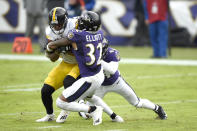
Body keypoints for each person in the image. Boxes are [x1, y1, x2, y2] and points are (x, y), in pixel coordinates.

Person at [47, 11, 111, 126]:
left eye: (82, 22)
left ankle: (93, 110)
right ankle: (114, 116)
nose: (80, 23)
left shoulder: (78, 35)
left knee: (61, 102)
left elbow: (66, 40)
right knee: (89, 96)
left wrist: (52, 45)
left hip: (89, 78)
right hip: (99, 74)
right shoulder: (100, 34)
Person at [78, 43, 167, 120]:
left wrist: (98, 61)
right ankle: (81, 102)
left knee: (137, 103)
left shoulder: (112, 53)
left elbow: (112, 70)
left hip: (116, 83)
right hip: (100, 86)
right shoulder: (89, 54)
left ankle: (157, 108)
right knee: (86, 114)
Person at [36, 7, 80, 123]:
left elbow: (77, 46)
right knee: (45, 90)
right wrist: (54, 50)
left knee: (68, 82)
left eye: (59, 25)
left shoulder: (75, 24)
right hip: (66, 62)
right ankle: (50, 115)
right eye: (54, 25)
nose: (56, 27)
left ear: (65, 21)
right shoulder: (49, 32)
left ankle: (67, 108)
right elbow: (53, 59)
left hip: (80, 63)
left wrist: (58, 45)